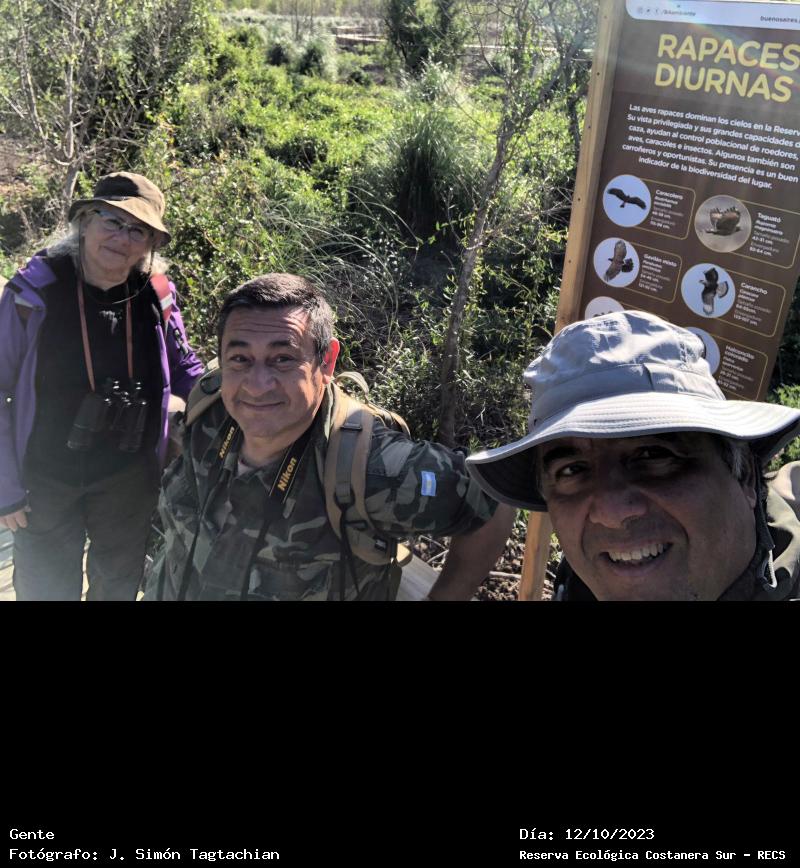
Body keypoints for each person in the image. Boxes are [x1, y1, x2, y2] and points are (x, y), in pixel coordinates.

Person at [145, 273, 515, 601]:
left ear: (326, 361)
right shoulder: (210, 410)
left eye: (283, 359)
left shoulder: (373, 467)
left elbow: (493, 499)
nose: (257, 385)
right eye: (240, 358)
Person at [466, 310, 800, 601]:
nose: (611, 514)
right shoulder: (587, 577)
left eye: (653, 454)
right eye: (572, 470)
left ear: (745, 476)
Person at [0, 171, 204, 600]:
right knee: (45, 589)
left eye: (138, 230)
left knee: (118, 584)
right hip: (44, 477)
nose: (122, 238)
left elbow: (185, 364)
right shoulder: (32, 293)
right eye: (112, 221)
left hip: (128, 475)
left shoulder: (156, 294)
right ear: (84, 221)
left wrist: (231, 397)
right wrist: (6, 487)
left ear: (150, 244)